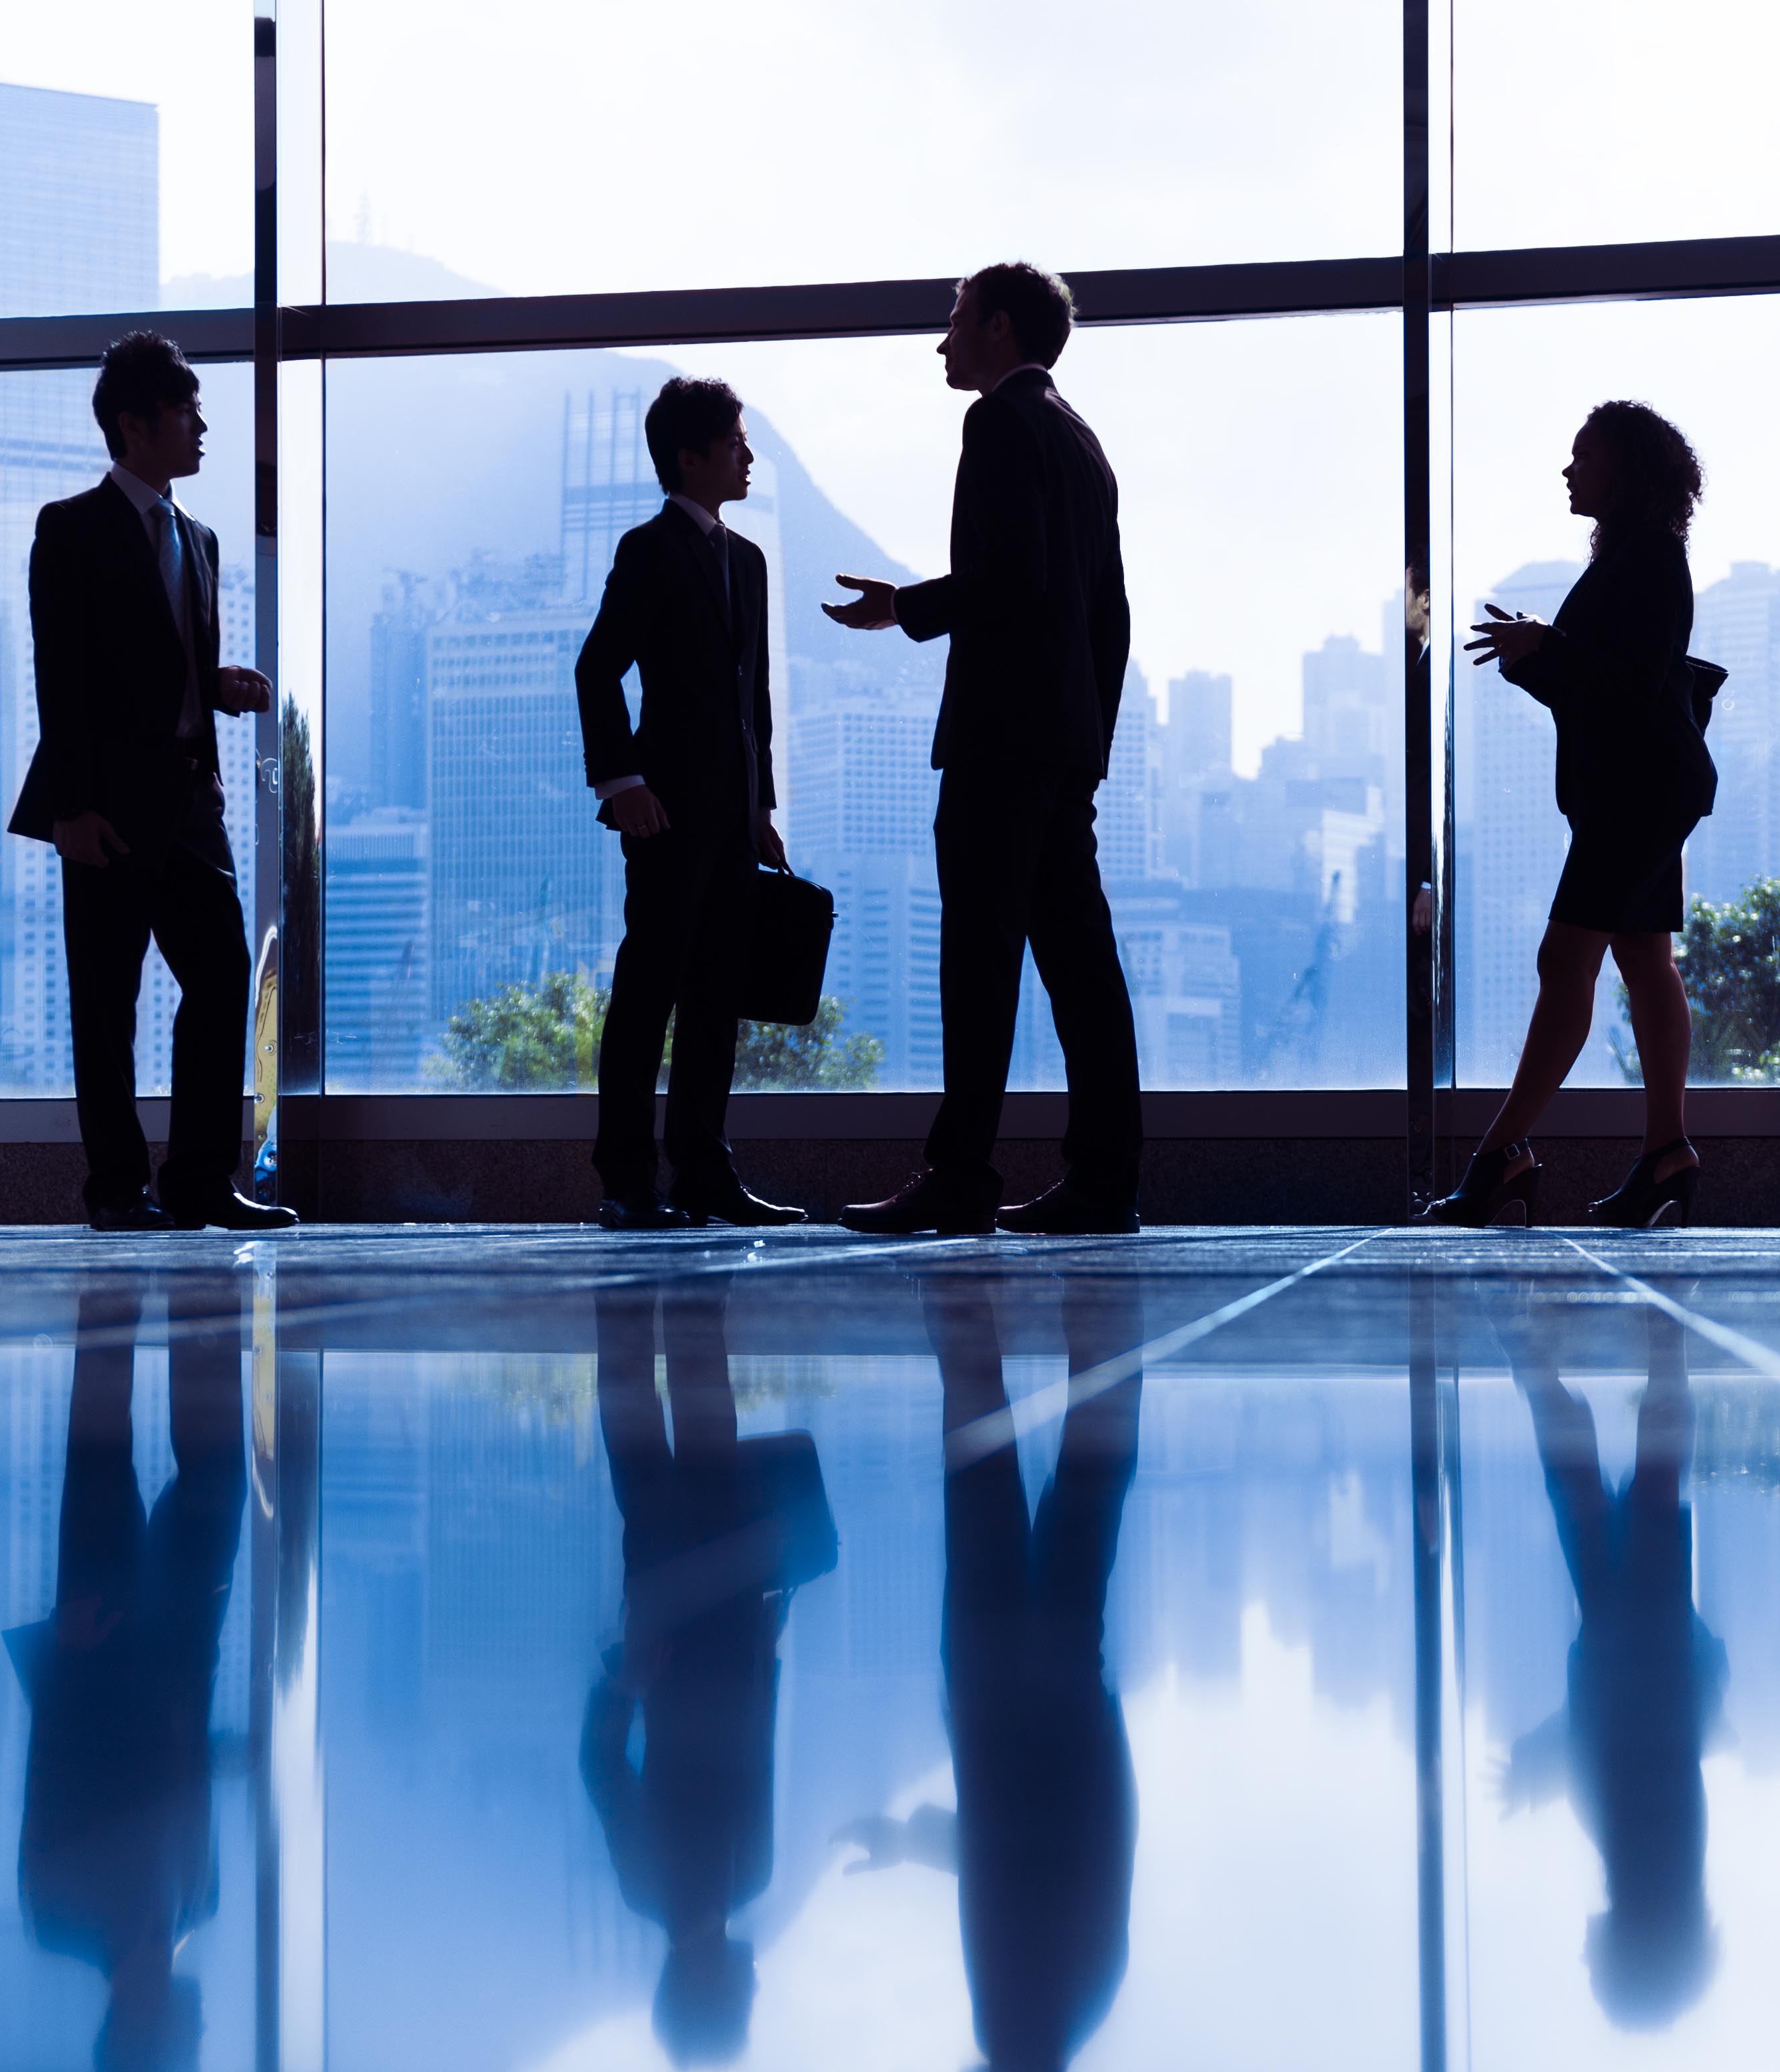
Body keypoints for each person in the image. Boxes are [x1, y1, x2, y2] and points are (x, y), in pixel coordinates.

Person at [826, 262, 1143, 1237]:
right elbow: (1109, 615)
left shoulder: (999, 422)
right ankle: (1103, 1182)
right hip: (1064, 746)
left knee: (979, 961)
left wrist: (905, 608)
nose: (942, 341)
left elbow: (1010, 578)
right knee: (1082, 968)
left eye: (955, 320)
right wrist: (1089, 742)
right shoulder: (1084, 442)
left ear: (1000, 329)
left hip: (1004, 743)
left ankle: (960, 1174)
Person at [7, 332, 295, 1233]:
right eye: (186, 412)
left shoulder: (199, 539)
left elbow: (166, 666)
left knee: (219, 983)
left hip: (189, 801)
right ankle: (118, 1189)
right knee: (107, 1006)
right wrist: (69, 811)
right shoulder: (71, 527)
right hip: (107, 809)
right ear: (134, 424)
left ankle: (201, 1181)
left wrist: (219, 686)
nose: (203, 427)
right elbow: (64, 673)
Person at [840, 1273, 1143, 2071]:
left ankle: (1099, 1312)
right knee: (984, 1467)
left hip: (1052, 1696)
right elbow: (1012, 1864)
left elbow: (1059, 1850)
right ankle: (975, 1300)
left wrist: (1095, 1705)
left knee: (1084, 1489)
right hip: (1000, 1696)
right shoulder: (1016, 2027)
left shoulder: (1080, 2000)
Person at [1426, 401, 1715, 1229]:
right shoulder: (1638, 554)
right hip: (1646, 789)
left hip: (1637, 795)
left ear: (1622, 469)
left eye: (1583, 456)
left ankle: (1499, 1156)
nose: (1567, 470)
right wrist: (1540, 652)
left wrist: (1546, 650)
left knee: (1566, 960)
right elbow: (1608, 680)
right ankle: (1667, 1154)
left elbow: (1626, 683)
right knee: (1644, 961)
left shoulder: (1649, 557)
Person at [574, 378, 803, 1231]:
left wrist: (761, 807)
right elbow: (597, 667)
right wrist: (622, 784)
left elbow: (757, 705)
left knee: (715, 998)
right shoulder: (650, 549)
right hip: (664, 813)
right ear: (690, 456)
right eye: (736, 442)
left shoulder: (749, 560)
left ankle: (705, 1172)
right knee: (649, 991)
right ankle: (627, 1181)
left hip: (732, 818)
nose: (748, 456)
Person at [14, 1272, 247, 2072]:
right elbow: (187, 1769)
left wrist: (60, 1646)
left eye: (192, 2048)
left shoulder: (57, 1919)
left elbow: (43, 1780)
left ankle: (113, 1288)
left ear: (147, 2035)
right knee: (215, 1472)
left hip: (99, 1645)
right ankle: (206, 1295)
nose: (207, 2033)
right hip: (183, 1646)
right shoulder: (201, 1899)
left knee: (100, 1446)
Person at [584, 1282, 803, 2065]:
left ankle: (677, 1295)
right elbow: (606, 1767)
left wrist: (762, 1654)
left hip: (713, 1626)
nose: (757, 1993)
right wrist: (627, 1687)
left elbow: (748, 1750)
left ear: (717, 1991)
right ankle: (633, 1296)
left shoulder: (748, 1878)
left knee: (699, 1433)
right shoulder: (661, 1889)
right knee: (649, 1445)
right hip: (679, 1629)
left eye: (740, 2008)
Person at [1493, 1292, 1726, 2030]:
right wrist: (1545, 1759)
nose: (1582, 1958)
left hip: (1650, 1644)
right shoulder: (1638, 1857)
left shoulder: (1667, 1866)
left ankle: (1655, 1342)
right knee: (1598, 1495)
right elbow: (1617, 1751)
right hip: (1631, 1640)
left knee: (1641, 1487)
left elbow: (1642, 1750)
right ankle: (1565, 1357)